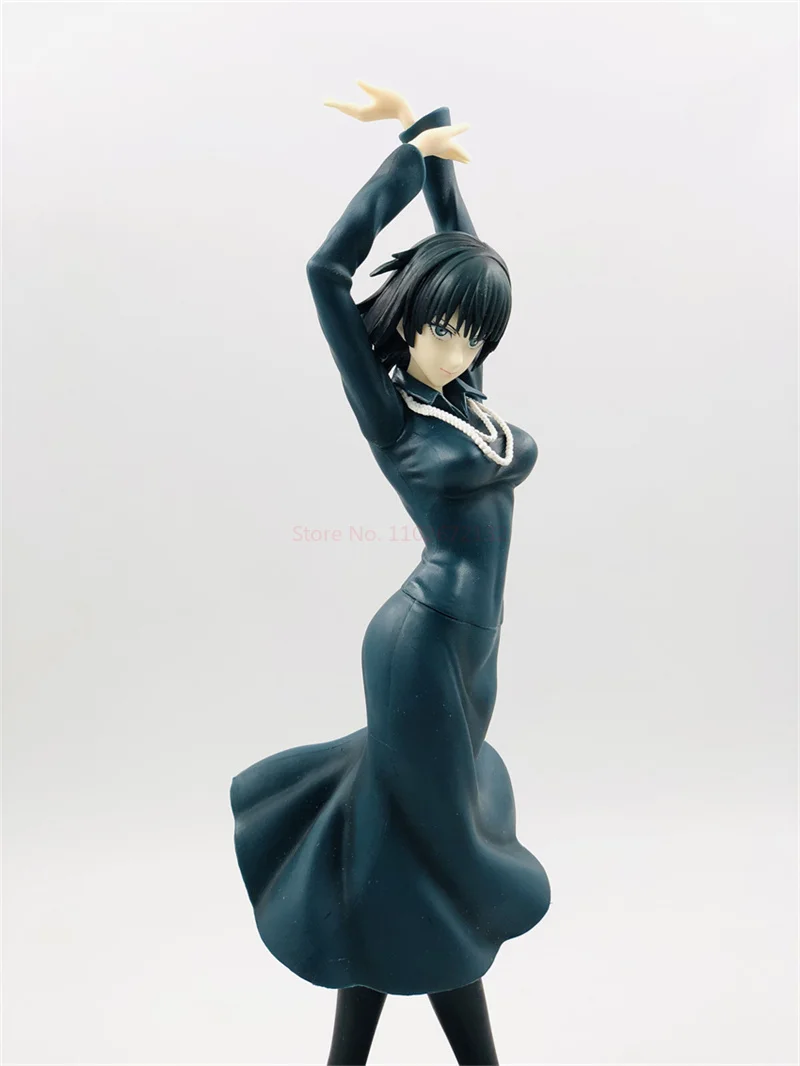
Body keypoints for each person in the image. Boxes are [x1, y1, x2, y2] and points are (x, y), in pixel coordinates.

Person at [230, 83, 551, 1066]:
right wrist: (405, 162)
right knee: (439, 850)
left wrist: (433, 137)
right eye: (441, 328)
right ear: (406, 324)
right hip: (418, 644)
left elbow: (460, 246)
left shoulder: (466, 395)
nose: (458, 346)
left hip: (475, 646)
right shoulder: (396, 415)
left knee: (400, 847)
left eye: (473, 333)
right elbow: (326, 270)